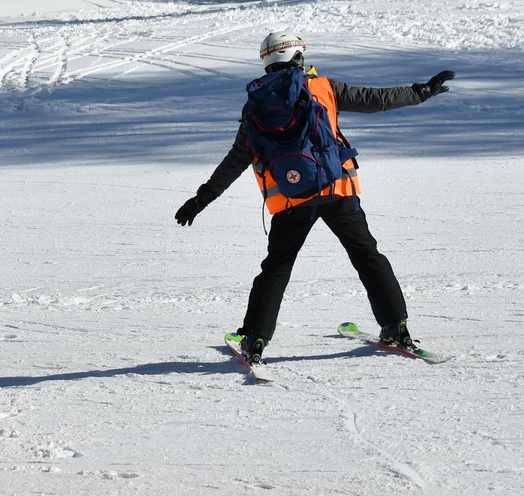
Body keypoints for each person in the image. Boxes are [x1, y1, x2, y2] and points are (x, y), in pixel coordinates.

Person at [174, 31, 455, 364]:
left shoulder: (257, 104)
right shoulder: (323, 87)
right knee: (367, 255)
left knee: (277, 267)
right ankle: (396, 327)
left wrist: (202, 198)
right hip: (338, 190)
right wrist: (419, 93)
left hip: (291, 200)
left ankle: (254, 340)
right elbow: (375, 99)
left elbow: (238, 157)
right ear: (298, 56)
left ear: (267, 62)